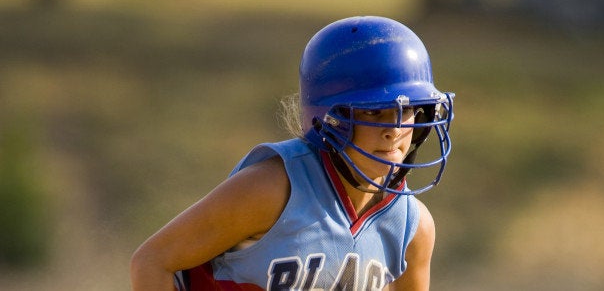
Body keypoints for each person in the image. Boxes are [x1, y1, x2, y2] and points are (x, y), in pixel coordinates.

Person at [130, 15, 454, 291]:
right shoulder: (272, 189)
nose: (394, 129)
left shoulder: (413, 227)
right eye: (372, 112)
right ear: (331, 117)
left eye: (408, 110)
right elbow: (152, 262)